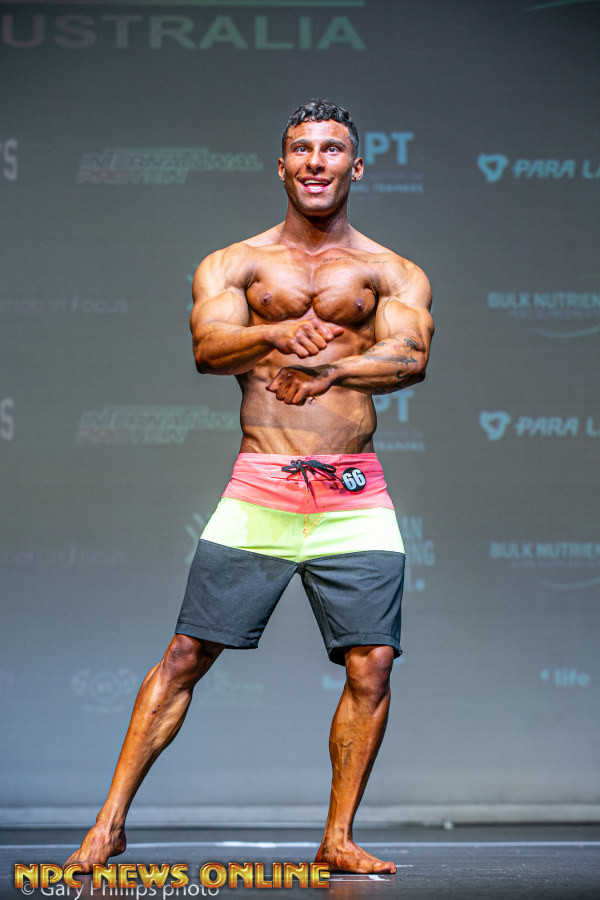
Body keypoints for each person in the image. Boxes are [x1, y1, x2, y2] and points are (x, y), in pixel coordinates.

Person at [66, 99, 434, 875]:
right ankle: (108, 825)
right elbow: (208, 347)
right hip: (263, 482)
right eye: (301, 149)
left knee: (372, 662)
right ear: (281, 165)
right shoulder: (236, 263)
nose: (315, 162)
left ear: (356, 166)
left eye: (331, 149)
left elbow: (409, 357)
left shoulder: (391, 271)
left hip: (352, 492)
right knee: (186, 652)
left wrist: (332, 369)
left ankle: (337, 838)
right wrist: (273, 333)